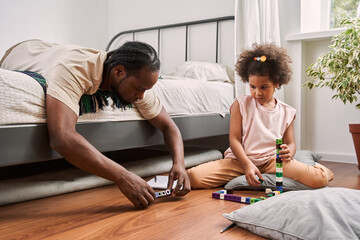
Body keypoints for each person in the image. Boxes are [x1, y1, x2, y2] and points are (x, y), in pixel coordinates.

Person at [0, 39, 191, 208]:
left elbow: (169, 127)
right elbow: (62, 137)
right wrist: (123, 176)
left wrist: (179, 164)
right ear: (118, 71)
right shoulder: (75, 69)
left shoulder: (136, 80)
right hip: (25, 51)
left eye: (146, 90)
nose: (141, 96)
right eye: (139, 89)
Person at [187, 43, 334, 189]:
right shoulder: (240, 104)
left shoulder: (287, 112)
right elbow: (234, 140)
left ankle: (322, 170)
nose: (257, 92)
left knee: (319, 179)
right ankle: (247, 172)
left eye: (264, 87)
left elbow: (291, 143)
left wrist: (289, 151)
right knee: (192, 178)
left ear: (277, 83)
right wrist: (247, 165)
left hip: (273, 161)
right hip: (240, 161)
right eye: (252, 87)